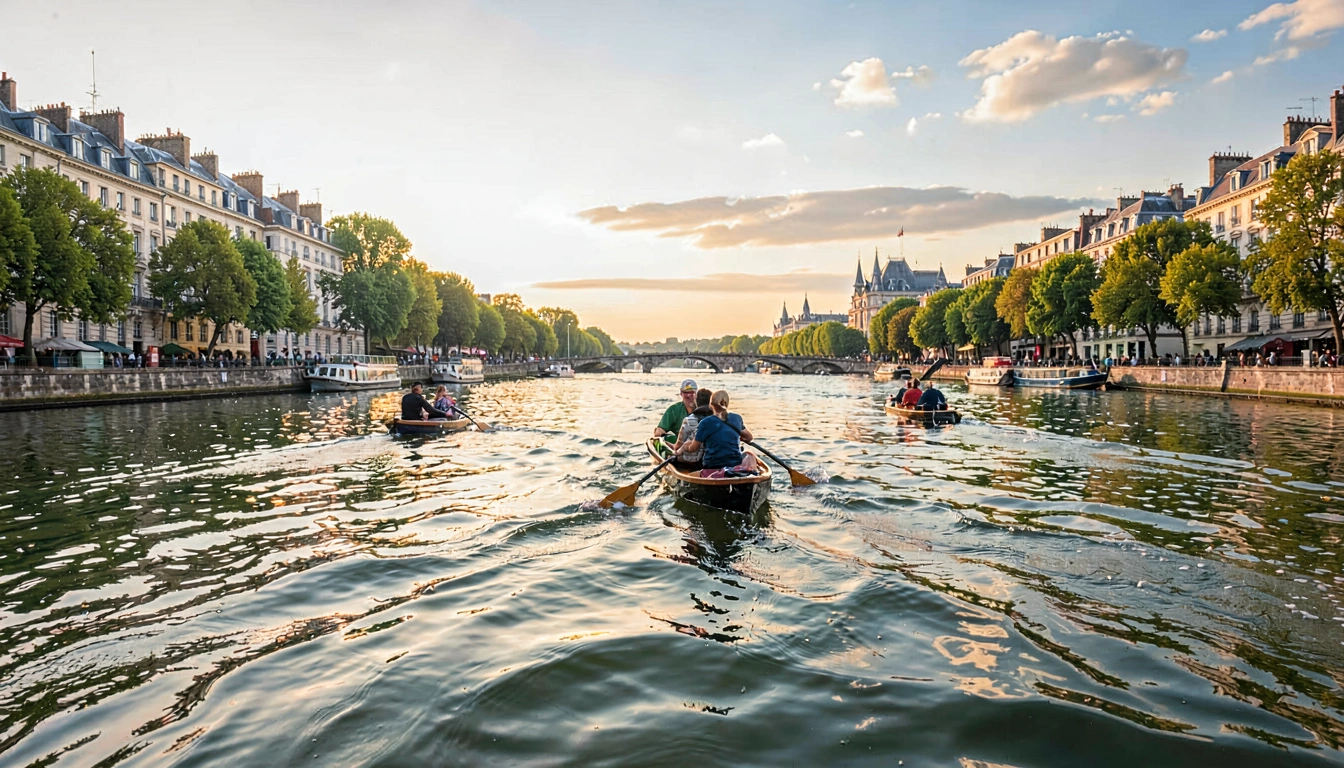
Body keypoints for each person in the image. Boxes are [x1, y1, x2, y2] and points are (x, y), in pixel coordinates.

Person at [682, 390, 760, 477]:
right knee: (749, 453)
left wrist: (686, 447)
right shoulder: (736, 418)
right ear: (727, 403)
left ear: (711, 405)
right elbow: (749, 437)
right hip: (733, 465)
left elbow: (694, 448)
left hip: (712, 467)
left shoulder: (705, 422)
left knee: (689, 476)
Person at [671, 388, 713, 466]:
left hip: (690, 461)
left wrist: (673, 448)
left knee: (670, 455)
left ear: (696, 402)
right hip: (711, 460)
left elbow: (678, 446)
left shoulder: (689, 420)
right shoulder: (717, 420)